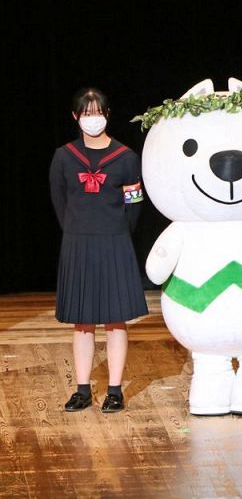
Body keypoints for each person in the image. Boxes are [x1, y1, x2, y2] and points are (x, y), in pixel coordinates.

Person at [49, 88, 148, 413]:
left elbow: (134, 202)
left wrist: (117, 231)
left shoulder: (126, 157)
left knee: (116, 321)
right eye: (87, 113)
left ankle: (115, 390)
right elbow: (59, 200)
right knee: (83, 321)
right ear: (76, 117)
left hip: (115, 243)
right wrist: (78, 229)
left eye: (99, 112)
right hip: (78, 243)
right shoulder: (64, 156)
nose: (94, 119)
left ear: (108, 114)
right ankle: (82, 390)